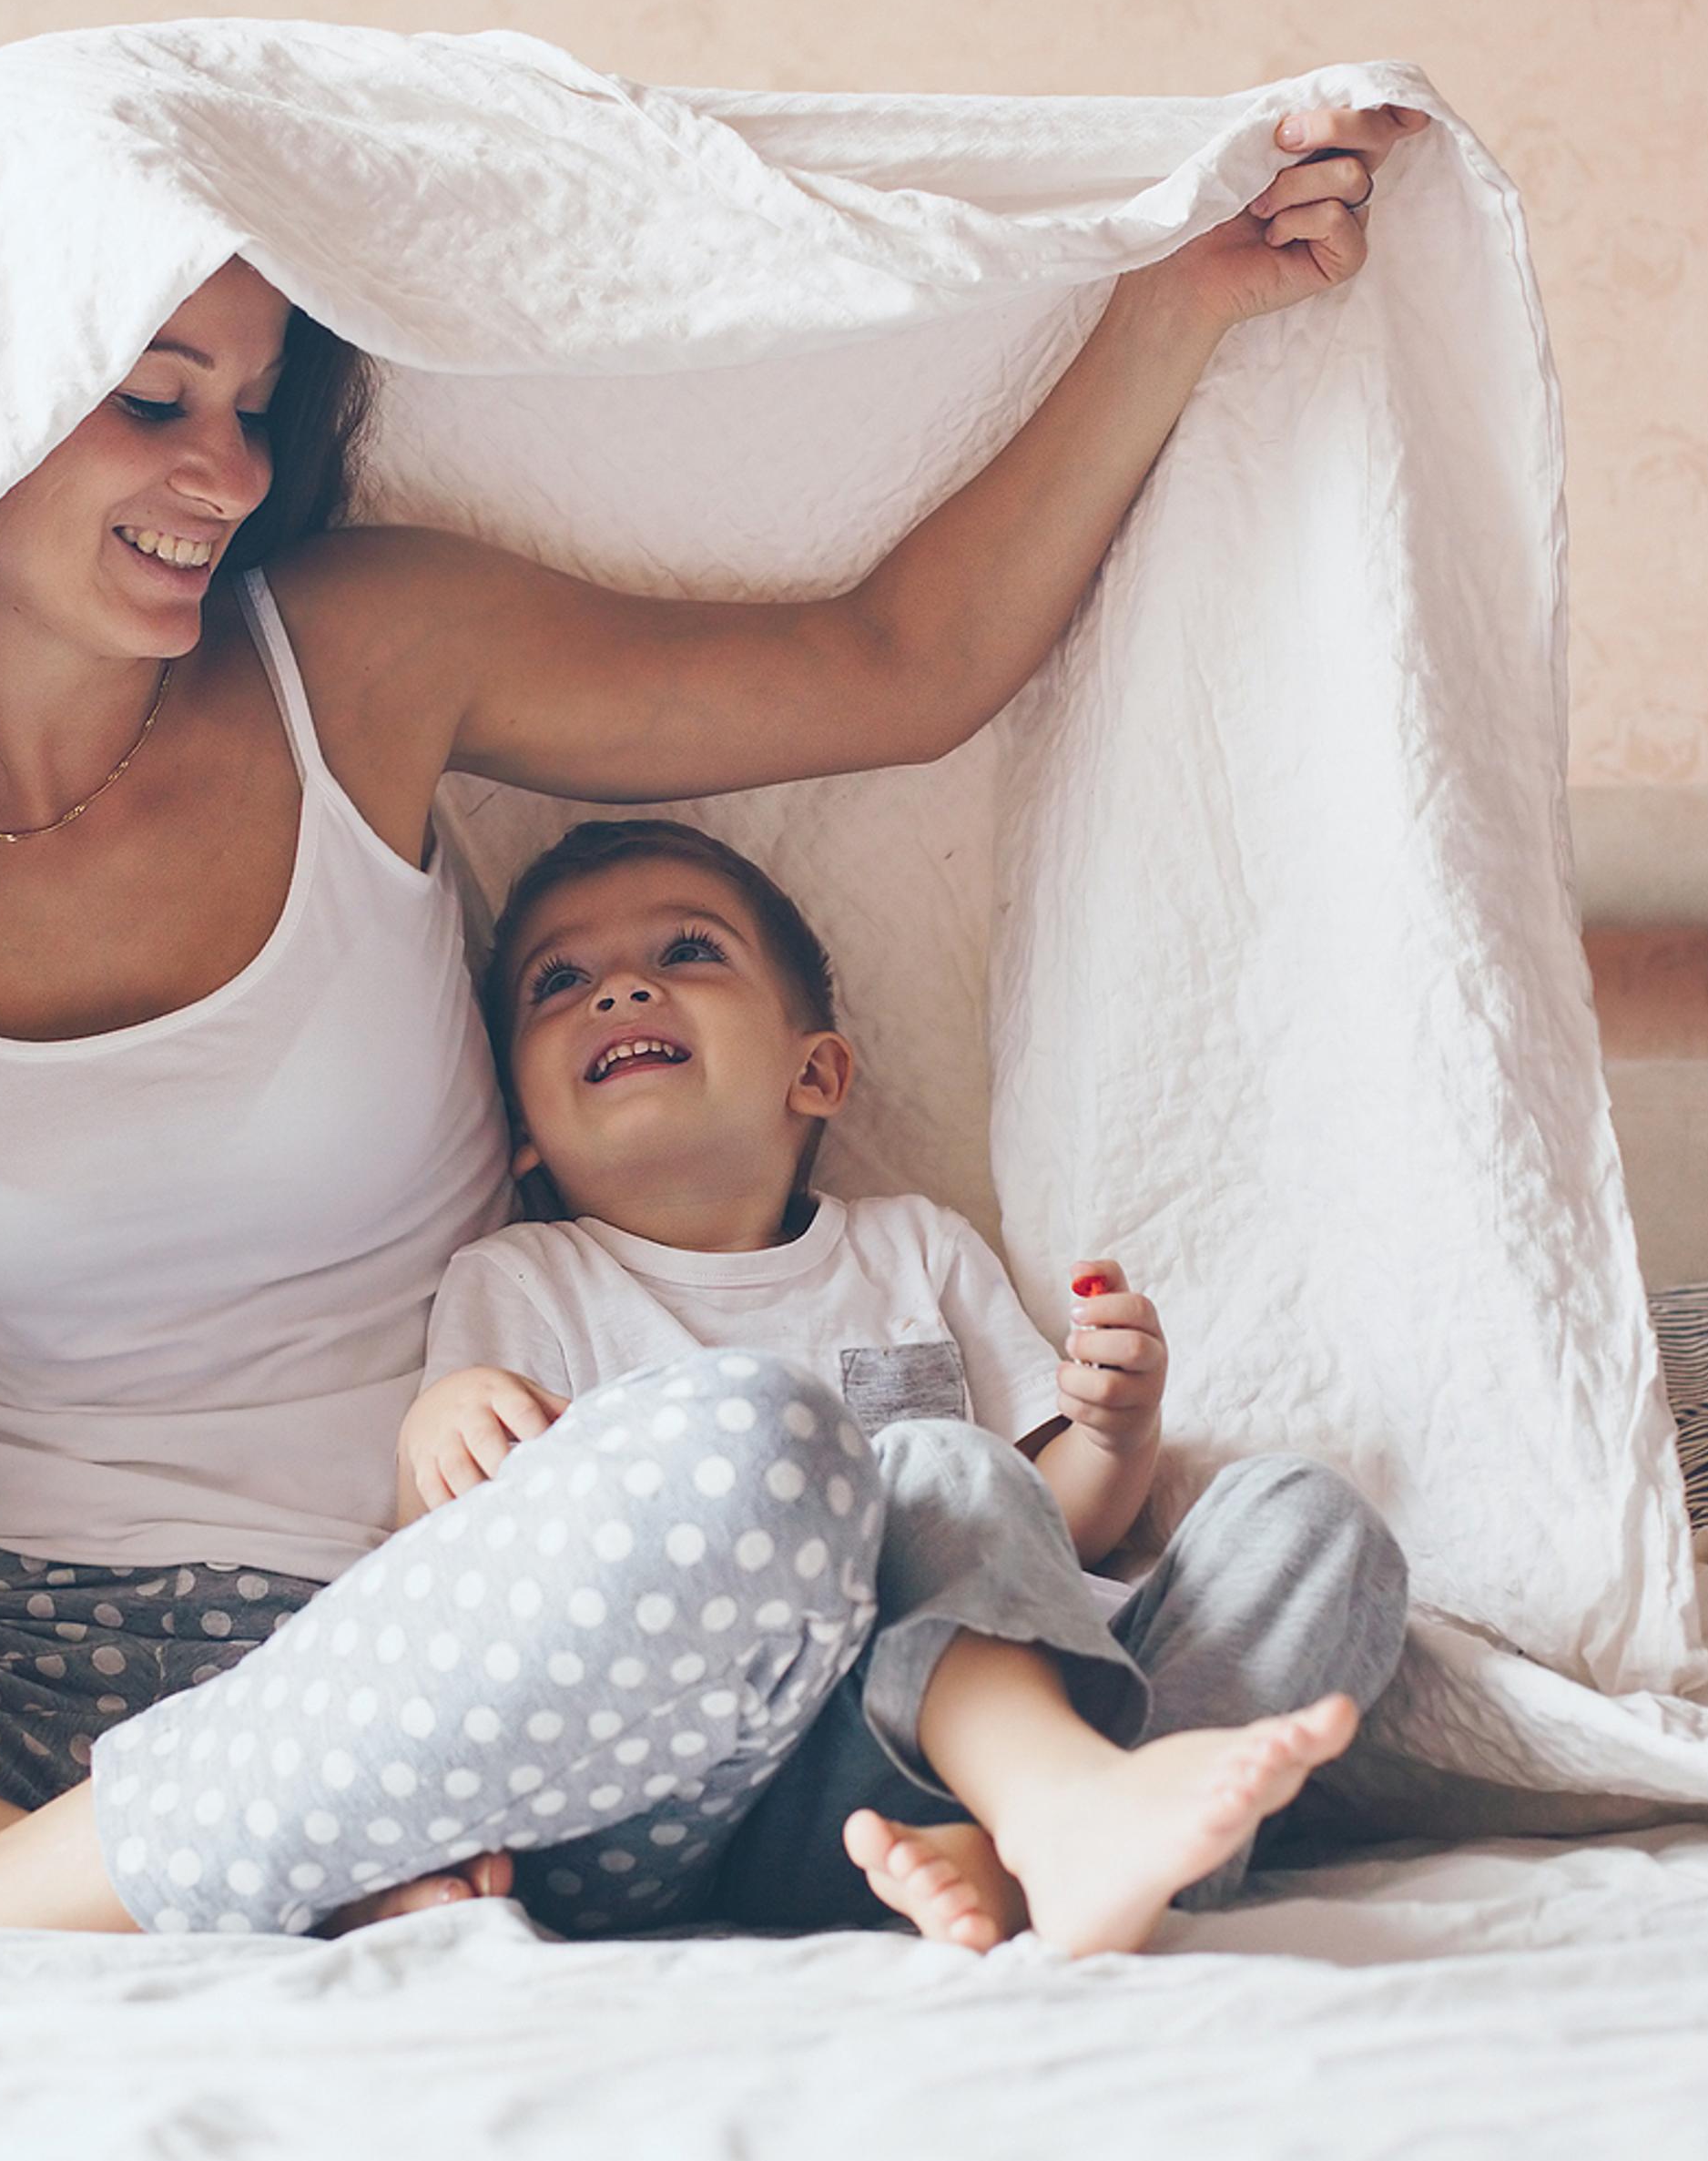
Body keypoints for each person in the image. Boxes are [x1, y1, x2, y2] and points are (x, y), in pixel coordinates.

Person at [0, 101, 1432, 1936]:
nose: (229, 475)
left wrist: (1168, 311)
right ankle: (24, 1876)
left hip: (470, 1676)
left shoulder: (355, 655)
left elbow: (898, 662)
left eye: (255, 407)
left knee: (755, 1463)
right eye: (152, 402)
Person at [402, 818, 1406, 1953]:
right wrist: (433, 1438)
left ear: (815, 1070)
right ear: (519, 1131)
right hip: (761, 1774)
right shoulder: (530, 1279)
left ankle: (1069, 1839)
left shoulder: (914, 1248)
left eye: (686, 952)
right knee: (934, 1465)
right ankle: (1056, 1821)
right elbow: (450, 1583)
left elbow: (1053, 1519)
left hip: (1043, 1688)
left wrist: (1113, 1428)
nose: (621, 989)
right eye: (561, 980)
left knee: (1313, 1519)